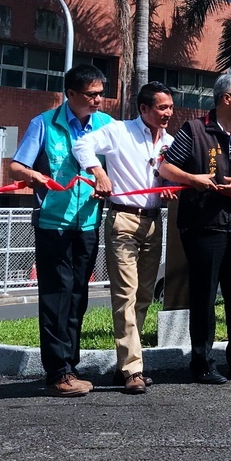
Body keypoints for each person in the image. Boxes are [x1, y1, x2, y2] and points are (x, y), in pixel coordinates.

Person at [10, 64, 113, 397]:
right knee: (56, 296)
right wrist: (34, 176)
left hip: (87, 222)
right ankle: (57, 372)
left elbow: (116, 168)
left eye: (101, 93)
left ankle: (70, 365)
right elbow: (16, 165)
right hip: (53, 224)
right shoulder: (43, 124)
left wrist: (106, 185)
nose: (98, 100)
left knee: (78, 296)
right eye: (92, 95)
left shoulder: (106, 125)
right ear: (70, 94)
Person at [157, 70, 231, 385]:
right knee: (204, 296)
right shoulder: (194, 130)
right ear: (226, 98)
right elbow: (165, 167)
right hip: (203, 226)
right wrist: (195, 179)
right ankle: (202, 363)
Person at [72, 81, 175, 394]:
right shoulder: (118, 131)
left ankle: (127, 365)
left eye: (170, 107)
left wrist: (166, 188)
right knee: (125, 296)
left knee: (144, 296)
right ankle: (133, 369)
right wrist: (98, 172)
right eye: (161, 107)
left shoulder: (170, 141)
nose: (168, 113)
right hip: (123, 219)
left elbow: (169, 174)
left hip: (155, 222)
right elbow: (82, 145)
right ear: (144, 109)